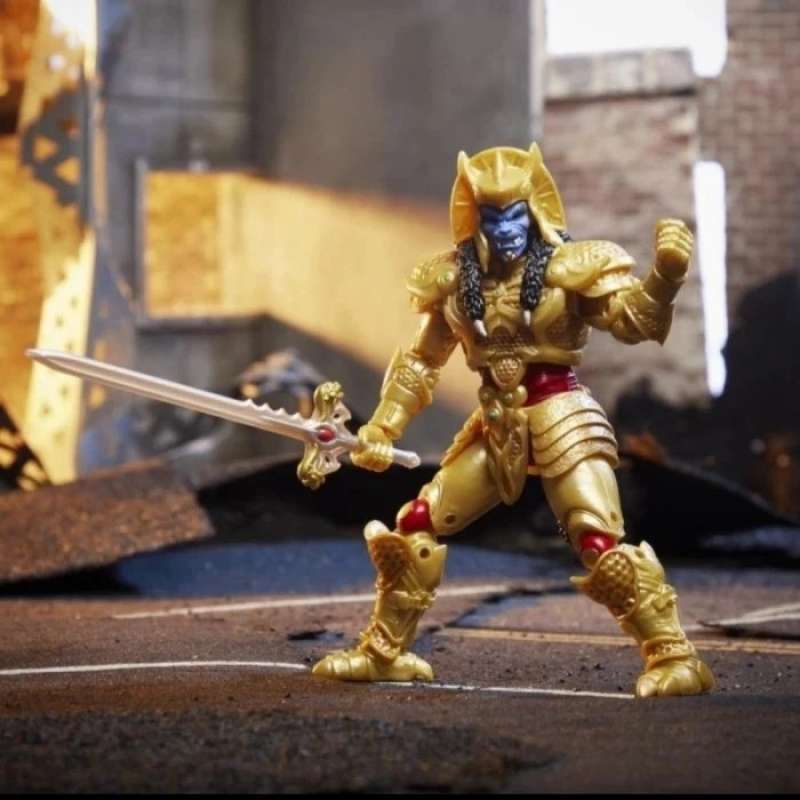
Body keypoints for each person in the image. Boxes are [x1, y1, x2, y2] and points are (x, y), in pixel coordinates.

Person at [313, 142, 715, 698]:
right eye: (492, 215)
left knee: (596, 537)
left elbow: (633, 322)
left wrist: (665, 278)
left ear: (535, 211)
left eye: (513, 214)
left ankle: (674, 656)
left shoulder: (571, 267)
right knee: (416, 525)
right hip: (496, 424)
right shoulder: (454, 281)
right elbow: (422, 361)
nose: (503, 228)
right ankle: (384, 652)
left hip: (561, 416)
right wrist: (383, 427)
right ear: (473, 217)